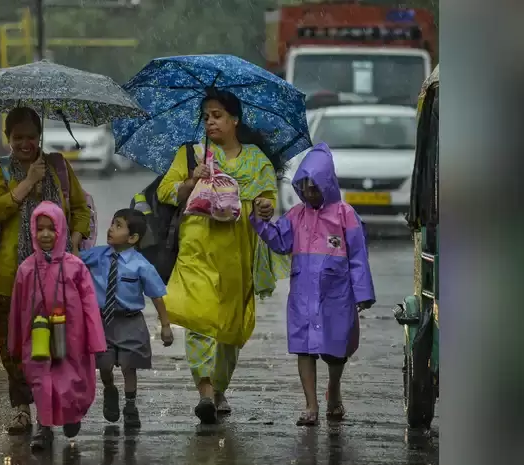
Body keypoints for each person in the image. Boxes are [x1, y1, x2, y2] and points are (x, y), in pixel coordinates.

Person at [155, 89, 286, 424]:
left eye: (217, 115)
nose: (210, 122)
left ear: (234, 120)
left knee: (229, 327)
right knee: (198, 316)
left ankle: (218, 388)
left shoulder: (256, 160)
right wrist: (191, 180)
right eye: (206, 116)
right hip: (196, 247)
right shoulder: (192, 153)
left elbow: (268, 200)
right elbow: (165, 191)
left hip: (237, 253)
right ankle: (204, 391)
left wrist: (264, 205)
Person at [0, 107, 92, 434]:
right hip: (9, 276)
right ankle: (21, 408)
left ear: (40, 136)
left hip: (56, 279)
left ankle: (53, 404)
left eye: (31, 136)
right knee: (13, 347)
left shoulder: (58, 166)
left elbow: (80, 209)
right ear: (8, 138)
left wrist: (74, 239)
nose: (25, 143)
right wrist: (28, 181)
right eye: (18, 137)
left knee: (56, 343)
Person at [250, 142, 375, 426]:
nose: (309, 193)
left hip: (336, 296)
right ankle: (311, 404)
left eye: (315, 188)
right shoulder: (296, 215)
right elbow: (280, 242)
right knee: (304, 348)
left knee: (335, 351)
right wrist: (260, 221)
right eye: (304, 188)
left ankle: (334, 391)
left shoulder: (345, 215)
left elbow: (358, 256)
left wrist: (362, 293)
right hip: (303, 295)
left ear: (328, 184)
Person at [8, 201, 106, 450]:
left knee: (70, 380)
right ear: (33, 231)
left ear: (61, 230)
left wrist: (95, 341)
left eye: (51, 229)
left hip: (72, 336)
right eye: (40, 229)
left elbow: (90, 305)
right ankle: (44, 427)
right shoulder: (26, 269)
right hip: (36, 335)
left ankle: (71, 414)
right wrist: (15, 343)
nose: (45, 234)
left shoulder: (75, 267)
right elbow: (17, 309)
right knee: (40, 380)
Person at [80, 209, 174, 429]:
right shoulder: (97, 255)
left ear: (132, 238)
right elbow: (73, 261)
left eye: (118, 225)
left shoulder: (141, 265)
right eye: (113, 223)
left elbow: (156, 296)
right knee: (104, 365)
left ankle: (130, 405)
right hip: (102, 321)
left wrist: (165, 325)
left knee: (129, 365)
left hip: (130, 321)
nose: (111, 229)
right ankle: (109, 389)